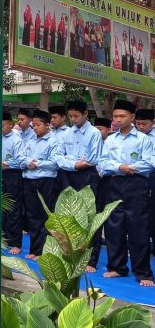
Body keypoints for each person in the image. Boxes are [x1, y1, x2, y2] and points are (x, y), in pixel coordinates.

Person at [98, 100, 154, 286]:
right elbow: (103, 162)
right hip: (114, 184)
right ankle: (117, 267)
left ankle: (143, 272)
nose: (118, 120)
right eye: (115, 116)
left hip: (137, 185)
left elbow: (149, 162)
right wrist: (119, 167)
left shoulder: (143, 140)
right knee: (114, 226)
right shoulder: (110, 139)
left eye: (122, 116)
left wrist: (131, 168)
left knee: (138, 227)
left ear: (132, 117)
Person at [54, 100, 103, 272]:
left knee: (89, 216)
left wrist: (73, 163)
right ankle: (69, 253)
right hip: (68, 174)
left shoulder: (94, 133)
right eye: (70, 116)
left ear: (85, 114)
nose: (73, 119)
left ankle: (90, 260)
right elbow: (58, 156)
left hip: (87, 176)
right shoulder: (66, 134)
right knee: (68, 214)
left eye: (76, 116)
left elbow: (92, 159)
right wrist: (74, 164)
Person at [23, 109, 59, 260]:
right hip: (29, 180)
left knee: (44, 216)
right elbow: (22, 157)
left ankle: (44, 251)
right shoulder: (30, 140)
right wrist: (27, 162)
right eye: (33, 125)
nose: (35, 128)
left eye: (38, 125)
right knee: (32, 216)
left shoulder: (54, 141)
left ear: (47, 125)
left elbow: (55, 163)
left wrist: (36, 164)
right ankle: (34, 249)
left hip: (46, 181)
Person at [1, 112, 26, 254]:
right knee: (1, 208)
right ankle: (3, 239)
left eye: (3, 125)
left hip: (13, 175)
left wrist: (7, 164)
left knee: (14, 209)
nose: (0, 128)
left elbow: (21, 160)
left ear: (10, 124)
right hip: (0, 174)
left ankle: (16, 243)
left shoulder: (16, 139)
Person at [134, 108, 155, 258]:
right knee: (139, 214)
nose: (141, 127)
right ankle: (140, 247)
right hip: (137, 177)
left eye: (144, 124)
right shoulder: (134, 137)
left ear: (153, 123)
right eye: (138, 124)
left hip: (152, 176)